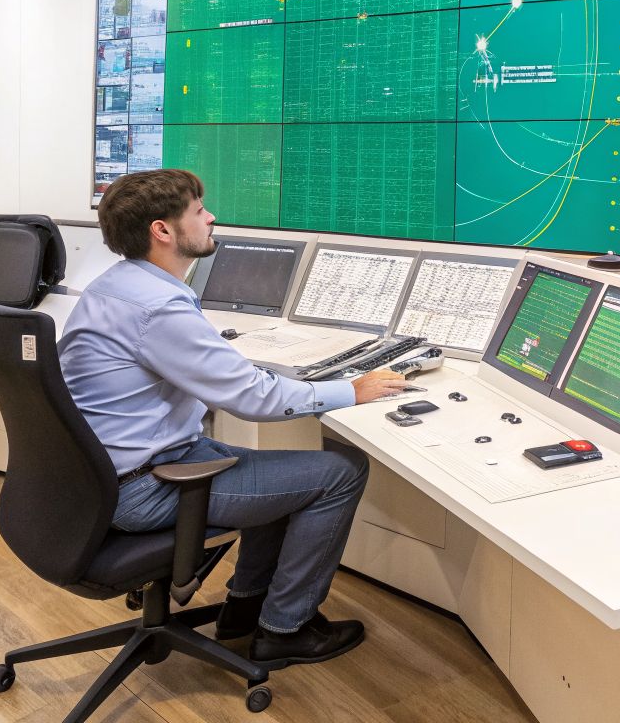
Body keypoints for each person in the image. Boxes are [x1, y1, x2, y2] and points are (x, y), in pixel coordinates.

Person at [58, 169, 406, 667]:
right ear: (162, 230)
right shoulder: (158, 307)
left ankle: (245, 608)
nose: (211, 217)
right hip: (146, 486)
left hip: (110, 474)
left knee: (283, 472)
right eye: (199, 211)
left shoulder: (116, 286)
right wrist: (350, 390)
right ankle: (284, 630)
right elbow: (252, 399)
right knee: (340, 472)